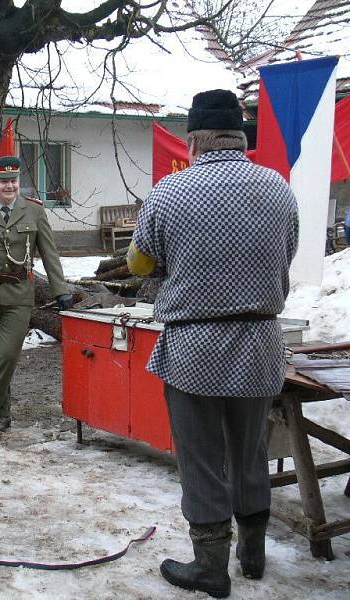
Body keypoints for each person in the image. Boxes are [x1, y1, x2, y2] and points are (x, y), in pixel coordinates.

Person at [127, 89, 299, 598]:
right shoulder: (278, 188)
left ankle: (210, 567)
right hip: (261, 342)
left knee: (201, 457)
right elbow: (286, 252)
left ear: (194, 141)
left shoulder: (168, 192)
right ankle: (253, 554)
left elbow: (138, 263)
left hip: (195, 346)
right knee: (250, 453)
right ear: (240, 137)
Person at [0, 156, 72, 436]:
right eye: (3, 181)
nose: (9, 185)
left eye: (14, 181)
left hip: (19, 296)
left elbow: (50, 255)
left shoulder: (33, 211)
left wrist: (61, 290)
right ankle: (1, 416)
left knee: (7, 355)